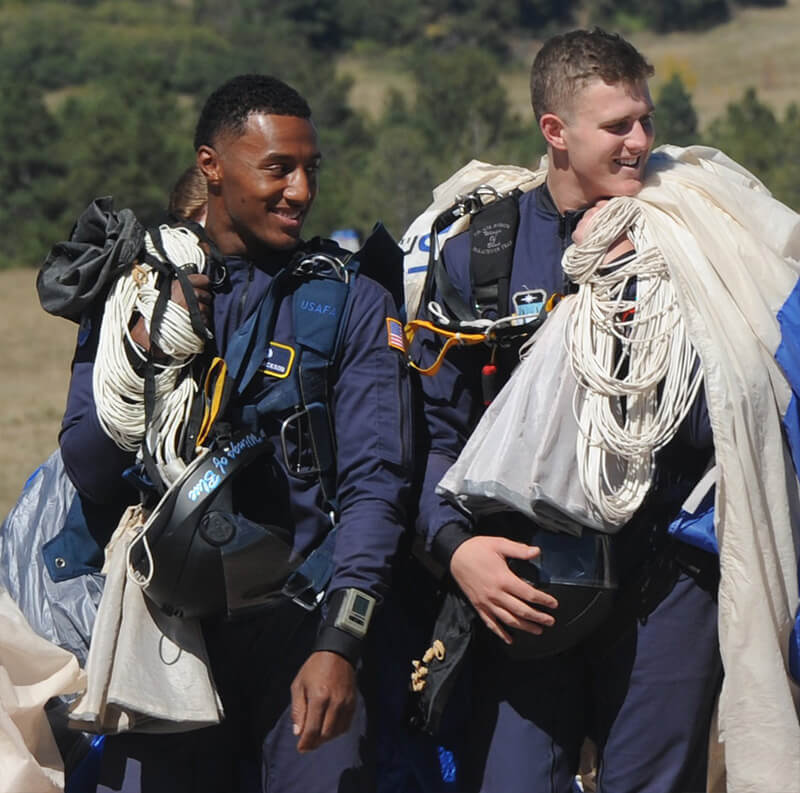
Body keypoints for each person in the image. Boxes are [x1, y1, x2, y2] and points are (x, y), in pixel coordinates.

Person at [58, 74, 412, 792]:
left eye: (312, 169)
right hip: (168, 640)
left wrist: (341, 643)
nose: (301, 190)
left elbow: (379, 484)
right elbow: (92, 470)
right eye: (278, 167)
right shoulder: (136, 291)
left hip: (302, 631)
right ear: (212, 166)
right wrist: (146, 344)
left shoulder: (350, 301)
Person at [411, 29, 721, 792]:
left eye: (645, 120)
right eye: (618, 125)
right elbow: (431, 432)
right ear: (556, 131)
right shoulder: (480, 254)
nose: (641, 141)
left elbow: (743, 410)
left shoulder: (694, 241)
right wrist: (456, 548)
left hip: (667, 579)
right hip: (523, 579)